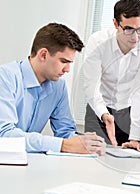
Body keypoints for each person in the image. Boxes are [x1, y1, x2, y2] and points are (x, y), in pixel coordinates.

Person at [0, 23, 106, 155]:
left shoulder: (58, 86)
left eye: (69, 63)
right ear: (43, 55)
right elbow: (4, 136)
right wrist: (63, 145)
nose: (67, 70)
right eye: (63, 61)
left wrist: (88, 143)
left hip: (30, 163)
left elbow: (65, 131)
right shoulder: (5, 77)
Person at [82, 0, 140, 151]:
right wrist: (103, 113)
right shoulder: (98, 41)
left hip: (127, 112)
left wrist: (135, 137)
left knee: (124, 159)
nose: (135, 37)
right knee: (94, 157)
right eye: (128, 29)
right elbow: (91, 85)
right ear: (116, 23)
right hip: (98, 108)